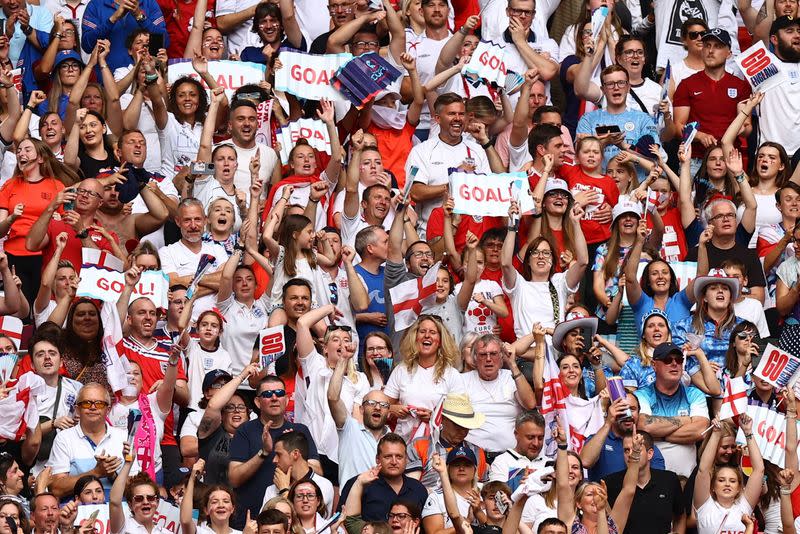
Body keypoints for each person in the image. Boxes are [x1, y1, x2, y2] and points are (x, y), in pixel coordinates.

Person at [228, 376, 320, 527]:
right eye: (267, 394)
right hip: (250, 522)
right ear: (257, 402)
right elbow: (234, 478)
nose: (274, 398)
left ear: (287, 399)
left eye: (279, 393)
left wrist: (293, 457)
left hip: (291, 523)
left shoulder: (299, 431)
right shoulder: (245, 430)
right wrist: (263, 452)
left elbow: (317, 473)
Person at [673, 29, 752, 172]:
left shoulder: (740, 86)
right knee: (690, 195)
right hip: (695, 158)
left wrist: (731, 134)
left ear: (729, 53)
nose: (711, 50)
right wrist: (699, 135)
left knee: (733, 195)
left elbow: (747, 127)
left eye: (718, 46)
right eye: (707, 45)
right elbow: (678, 127)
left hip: (729, 158)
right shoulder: (687, 84)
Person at [383, 315, 464, 441]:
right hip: (403, 444)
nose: (427, 336)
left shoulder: (452, 374)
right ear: (415, 338)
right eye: (422, 331)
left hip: (438, 444)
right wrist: (393, 408)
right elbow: (383, 404)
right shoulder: (401, 369)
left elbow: (461, 415)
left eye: (433, 332)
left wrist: (434, 416)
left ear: (441, 341)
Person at [635, 342, 710, 478]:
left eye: (679, 360)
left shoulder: (694, 394)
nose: (674, 363)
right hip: (651, 481)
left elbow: (701, 431)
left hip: (686, 481)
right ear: (654, 365)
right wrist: (686, 420)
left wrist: (660, 435)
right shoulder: (642, 395)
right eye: (667, 360)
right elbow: (644, 426)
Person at [48, 382, 134, 499]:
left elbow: (136, 490)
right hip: (76, 513)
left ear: (108, 410)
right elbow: (56, 489)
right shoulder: (64, 438)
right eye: (86, 403)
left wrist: (113, 475)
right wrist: (96, 472)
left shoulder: (123, 437)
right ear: (77, 409)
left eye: (99, 404)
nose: (92, 407)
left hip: (118, 512)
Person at [327, 338, 392, 486]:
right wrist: (343, 360)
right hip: (350, 505)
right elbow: (332, 397)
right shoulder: (349, 428)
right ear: (361, 409)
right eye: (371, 403)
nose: (377, 408)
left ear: (389, 413)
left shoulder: (393, 439)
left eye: (382, 405)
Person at [459, 335, 535, 455]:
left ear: (501, 357)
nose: (488, 359)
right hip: (473, 457)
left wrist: (513, 365)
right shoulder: (461, 381)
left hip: (508, 456)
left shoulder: (511, 377)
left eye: (493, 354)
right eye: (483, 354)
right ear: (474, 359)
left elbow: (530, 404)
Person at [693, 415, 765, 534]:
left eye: (732, 481)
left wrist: (748, 432)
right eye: (721, 480)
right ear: (712, 487)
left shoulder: (744, 505)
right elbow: (703, 470)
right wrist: (716, 434)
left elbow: (759, 470)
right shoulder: (704, 506)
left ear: (739, 488)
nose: (727, 484)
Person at [605, 431, 685, 534]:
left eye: (636, 449)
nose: (631, 454)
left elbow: (680, 516)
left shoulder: (669, 480)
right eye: (626, 450)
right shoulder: (610, 483)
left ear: (650, 453)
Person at [405, 393, 488, 492]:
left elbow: (483, 488)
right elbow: (411, 486)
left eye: (467, 426)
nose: (463, 431)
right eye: (457, 425)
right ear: (443, 420)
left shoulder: (477, 452)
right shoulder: (419, 446)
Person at [338, 434, 428, 521]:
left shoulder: (418, 489)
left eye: (399, 457)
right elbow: (341, 523)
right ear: (377, 459)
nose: (394, 461)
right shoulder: (358, 484)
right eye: (388, 456)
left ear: (406, 459)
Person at [580, 393, 666, 481]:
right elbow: (585, 462)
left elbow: (657, 483)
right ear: (610, 412)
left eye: (632, 409)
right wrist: (608, 422)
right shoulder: (598, 439)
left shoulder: (646, 445)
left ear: (638, 413)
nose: (628, 414)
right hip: (603, 494)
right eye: (622, 409)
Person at [196, 365, 257, 484]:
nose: (236, 410)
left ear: (248, 414)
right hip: (213, 498)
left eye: (241, 407)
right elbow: (213, 405)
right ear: (221, 415)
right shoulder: (210, 434)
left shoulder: (255, 436)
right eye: (230, 407)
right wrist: (241, 376)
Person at [758, 16, 800, 166]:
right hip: (770, 155)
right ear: (774, 39)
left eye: (799, 31)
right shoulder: (763, 63)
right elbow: (760, 29)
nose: (797, 35)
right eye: (789, 31)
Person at [260, 432, 334, 516]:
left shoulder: (323, 485)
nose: (274, 460)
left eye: (278, 454)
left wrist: (284, 491)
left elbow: (305, 523)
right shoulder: (271, 489)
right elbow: (264, 524)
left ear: (295, 454)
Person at [109, 444, 170, 534]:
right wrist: (128, 463)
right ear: (130, 505)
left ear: (157, 502)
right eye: (139, 498)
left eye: (150, 498)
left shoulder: (166, 533)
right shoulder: (123, 527)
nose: (145, 502)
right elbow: (114, 501)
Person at [180, 459, 239, 534]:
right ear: (206, 510)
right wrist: (192, 479)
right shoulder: (200, 531)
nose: (221, 505)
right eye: (214, 502)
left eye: (226, 501)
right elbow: (185, 521)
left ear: (232, 509)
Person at [487, 410, 548, 483]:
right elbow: (496, 493)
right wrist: (518, 486)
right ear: (516, 434)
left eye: (540, 438)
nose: (536, 443)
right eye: (530, 437)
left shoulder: (549, 463)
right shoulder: (501, 462)